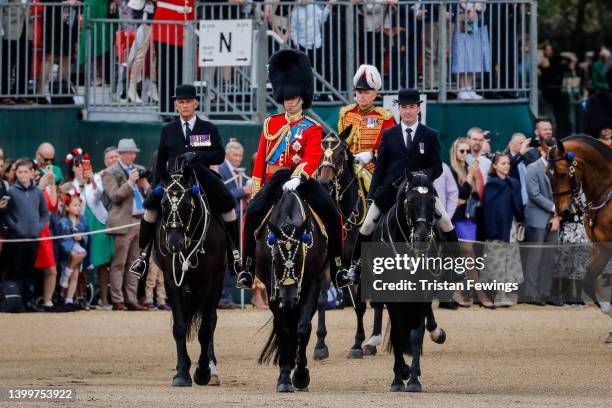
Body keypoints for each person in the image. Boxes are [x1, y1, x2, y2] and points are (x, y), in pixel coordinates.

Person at [237, 49, 348, 289]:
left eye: (293, 97)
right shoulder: (270, 124)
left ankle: (339, 268)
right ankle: (247, 267)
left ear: (302, 98)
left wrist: (298, 177)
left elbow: (312, 156)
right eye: (286, 97)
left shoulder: (312, 127)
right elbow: (260, 162)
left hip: (302, 181)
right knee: (251, 215)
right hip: (274, 180)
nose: (289, 100)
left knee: (332, 214)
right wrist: (257, 187)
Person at [340, 88, 459, 287]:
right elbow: (380, 167)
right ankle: (356, 267)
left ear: (418, 108)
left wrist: (422, 178)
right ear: (399, 109)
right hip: (390, 189)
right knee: (368, 224)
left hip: (420, 190)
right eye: (404, 107)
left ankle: (456, 265)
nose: (408, 111)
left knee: (445, 220)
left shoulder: (429, 135)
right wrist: (372, 196)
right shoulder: (389, 134)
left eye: (411, 107)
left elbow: (437, 167)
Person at [129, 84, 242, 280]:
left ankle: (235, 256)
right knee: (150, 209)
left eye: (188, 102)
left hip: (202, 178)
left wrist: (198, 156)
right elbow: (161, 159)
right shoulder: (168, 130)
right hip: (174, 182)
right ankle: (143, 256)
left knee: (228, 207)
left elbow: (219, 155)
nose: (185, 105)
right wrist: (156, 188)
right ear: (176, 105)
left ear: (195, 103)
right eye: (181, 102)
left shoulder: (209, 128)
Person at [103, 139, 149, 311]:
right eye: (130, 152)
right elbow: (114, 196)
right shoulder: (110, 172)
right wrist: (130, 182)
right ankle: (117, 299)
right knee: (119, 263)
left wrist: (145, 186)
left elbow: (147, 193)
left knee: (134, 263)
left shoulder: (138, 170)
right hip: (123, 223)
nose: (133, 155)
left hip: (139, 220)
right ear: (121, 154)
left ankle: (131, 298)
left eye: (134, 152)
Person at [4, 158, 49, 312]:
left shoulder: (38, 192)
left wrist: (38, 227)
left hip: (33, 238)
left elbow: (44, 213)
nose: (22, 175)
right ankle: (16, 301)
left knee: (30, 272)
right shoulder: (11, 191)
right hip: (16, 239)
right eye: (19, 172)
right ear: (16, 173)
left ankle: (29, 301)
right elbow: (6, 214)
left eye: (25, 172)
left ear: (31, 173)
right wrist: (15, 227)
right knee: (16, 271)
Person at [481, 153, 524, 307]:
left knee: (510, 261)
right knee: (497, 262)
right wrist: (493, 233)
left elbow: (518, 207)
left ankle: (505, 294)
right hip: (498, 230)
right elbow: (489, 211)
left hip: (511, 227)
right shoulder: (492, 184)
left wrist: (521, 223)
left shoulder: (514, 183)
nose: (506, 166)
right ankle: (497, 295)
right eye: (502, 163)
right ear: (495, 166)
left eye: (507, 163)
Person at [337, 64, 395, 175]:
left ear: (374, 95)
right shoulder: (346, 113)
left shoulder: (384, 117)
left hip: (373, 169)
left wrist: (371, 155)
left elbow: (390, 148)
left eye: (366, 93)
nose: (362, 96)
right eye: (359, 92)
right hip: (348, 169)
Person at [523, 138, 560, 306]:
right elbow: (534, 194)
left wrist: (557, 215)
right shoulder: (532, 168)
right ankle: (531, 294)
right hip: (537, 218)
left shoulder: (559, 167)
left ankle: (545, 293)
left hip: (554, 218)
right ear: (541, 150)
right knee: (535, 258)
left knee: (549, 257)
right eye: (549, 149)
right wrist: (555, 208)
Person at [152, 0, 195, 115]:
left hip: (186, 26)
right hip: (166, 25)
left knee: (182, 73)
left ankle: (181, 109)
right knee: (166, 72)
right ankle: (166, 109)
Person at [451, 1, 491, 100]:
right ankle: (462, 89)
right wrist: (469, 8)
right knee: (462, 53)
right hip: (462, 18)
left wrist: (476, 8)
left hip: (476, 19)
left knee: (474, 53)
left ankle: (469, 88)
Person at [57, 191, 90, 307]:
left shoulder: (83, 220)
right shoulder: (62, 221)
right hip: (67, 249)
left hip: (78, 246)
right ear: (67, 207)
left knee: (75, 274)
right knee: (78, 255)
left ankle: (69, 299)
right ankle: (63, 291)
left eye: (79, 205)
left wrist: (81, 237)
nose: (78, 208)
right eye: (74, 205)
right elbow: (60, 239)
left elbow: (87, 234)